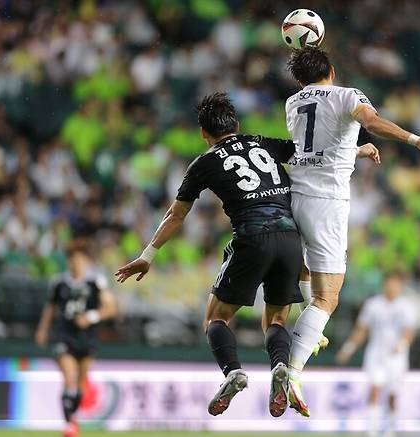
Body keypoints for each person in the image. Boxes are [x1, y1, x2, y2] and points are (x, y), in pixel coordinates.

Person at [115, 92, 382, 417]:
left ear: (204, 133)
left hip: (252, 237)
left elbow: (176, 214)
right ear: (237, 125)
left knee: (216, 317)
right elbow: (313, 158)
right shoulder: (262, 142)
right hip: (289, 237)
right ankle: (280, 367)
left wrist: (148, 255)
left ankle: (233, 372)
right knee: (276, 319)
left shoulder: (204, 163)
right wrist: (357, 150)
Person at [283, 47, 420, 416]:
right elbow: (371, 121)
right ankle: (291, 371)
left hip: (295, 198)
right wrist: (414, 140)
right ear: (332, 71)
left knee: (306, 275)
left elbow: (314, 150)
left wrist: (356, 150)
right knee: (328, 298)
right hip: (327, 205)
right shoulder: (347, 95)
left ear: (299, 80)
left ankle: (308, 331)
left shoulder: (292, 103)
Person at [34, 239, 117, 437]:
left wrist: (91, 316)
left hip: (86, 338)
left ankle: (72, 419)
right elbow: (50, 308)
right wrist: (43, 329)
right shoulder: (59, 282)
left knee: (80, 384)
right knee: (69, 378)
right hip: (65, 335)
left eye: (79, 259)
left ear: (86, 261)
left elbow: (111, 308)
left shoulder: (95, 281)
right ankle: (69, 424)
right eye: (72, 259)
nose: (76, 263)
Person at [336, 271, 416, 437]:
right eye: (389, 283)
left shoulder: (406, 306)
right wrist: (348, 349)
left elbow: (409, 331)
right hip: (376, 354)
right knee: (374, 389)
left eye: (395, 284)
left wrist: (402, 344)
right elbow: (362, 329)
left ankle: (390, 430)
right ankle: (372, 430)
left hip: (396, 357)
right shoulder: (373, 304)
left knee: (393, 394)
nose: (391, 287)